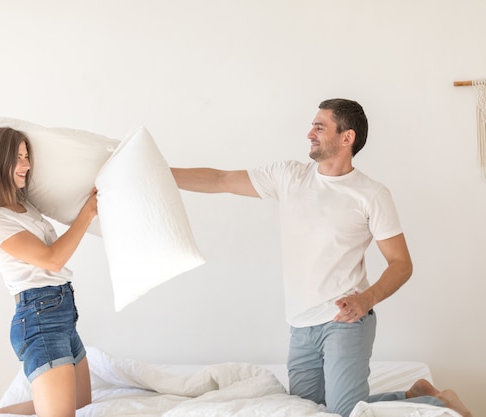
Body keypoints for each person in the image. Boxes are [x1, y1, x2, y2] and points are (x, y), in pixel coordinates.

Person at [171, 98, 473, 417]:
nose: (309, 133)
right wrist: (158, 174)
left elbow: (401, 264)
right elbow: (221, 180)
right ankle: (413, 394)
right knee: (310, 411)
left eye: (319, 126)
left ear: (347, 137)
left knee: (345, 413)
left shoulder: (371, 194)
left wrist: (366, 300)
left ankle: (439, 403)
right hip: (301, 326)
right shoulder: (289, 176)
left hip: (345, 321)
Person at [0, 127, 97, 417]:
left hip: (62, 311)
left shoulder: (23, 205)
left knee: (81, 404)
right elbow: (52, 259)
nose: (27, 164)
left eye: (26, 156)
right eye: (17, 158)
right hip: (39, 317)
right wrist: (87, 213)